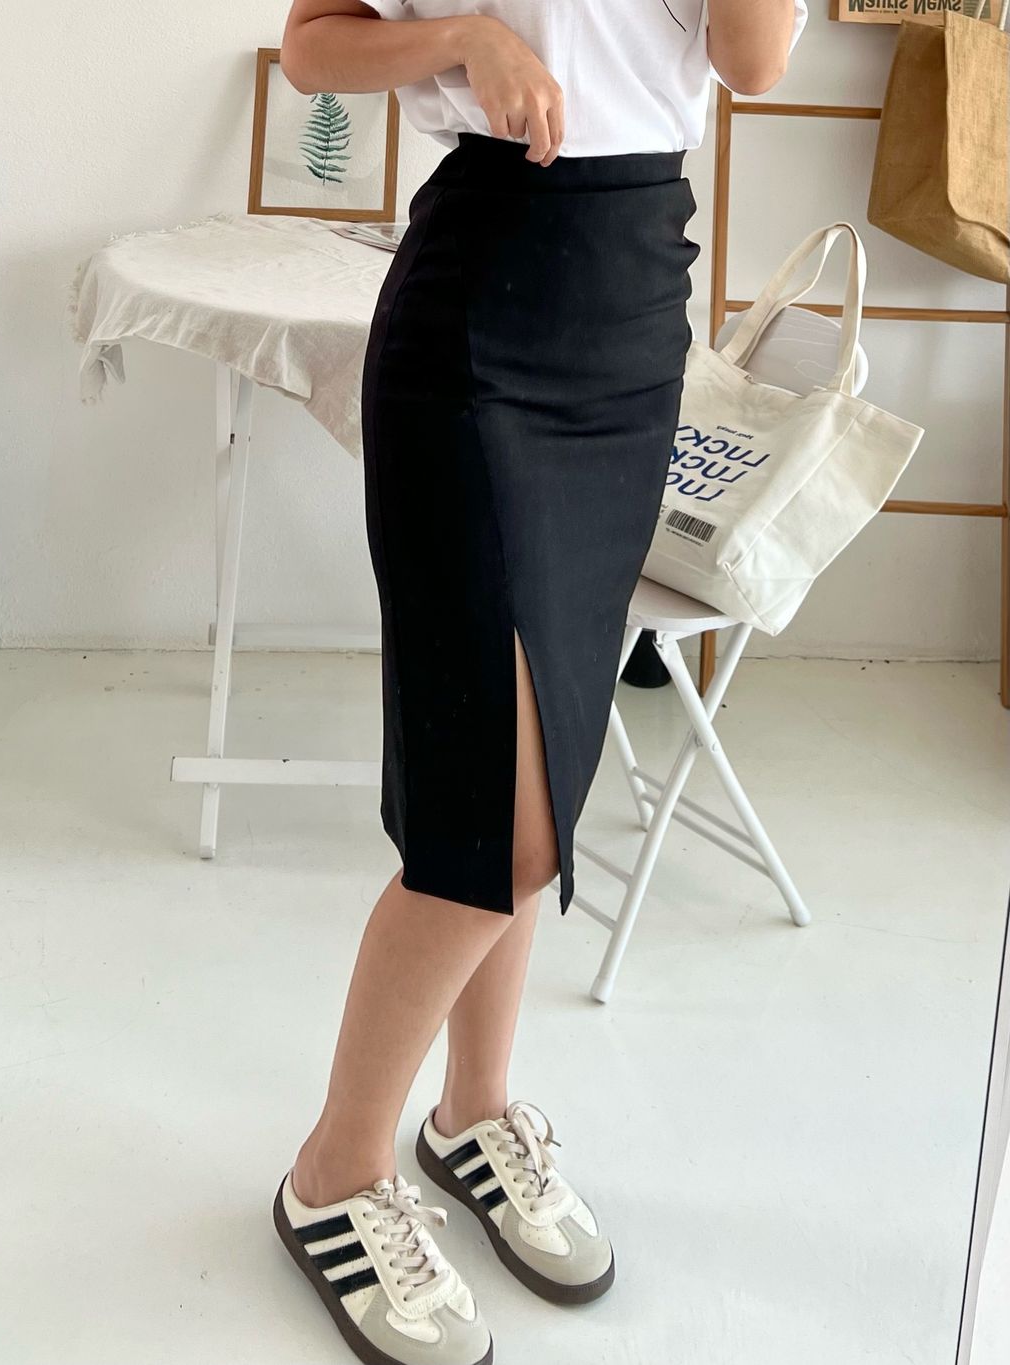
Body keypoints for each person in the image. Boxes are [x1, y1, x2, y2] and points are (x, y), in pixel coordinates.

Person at [273, 4, 807, 1363]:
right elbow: (315, 47)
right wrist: (463, 38)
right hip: (477, 314)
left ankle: (473, 1113)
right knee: (494, 820)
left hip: (632, 310)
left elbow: (754, 62)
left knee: (546, 768)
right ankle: (334, 1171)